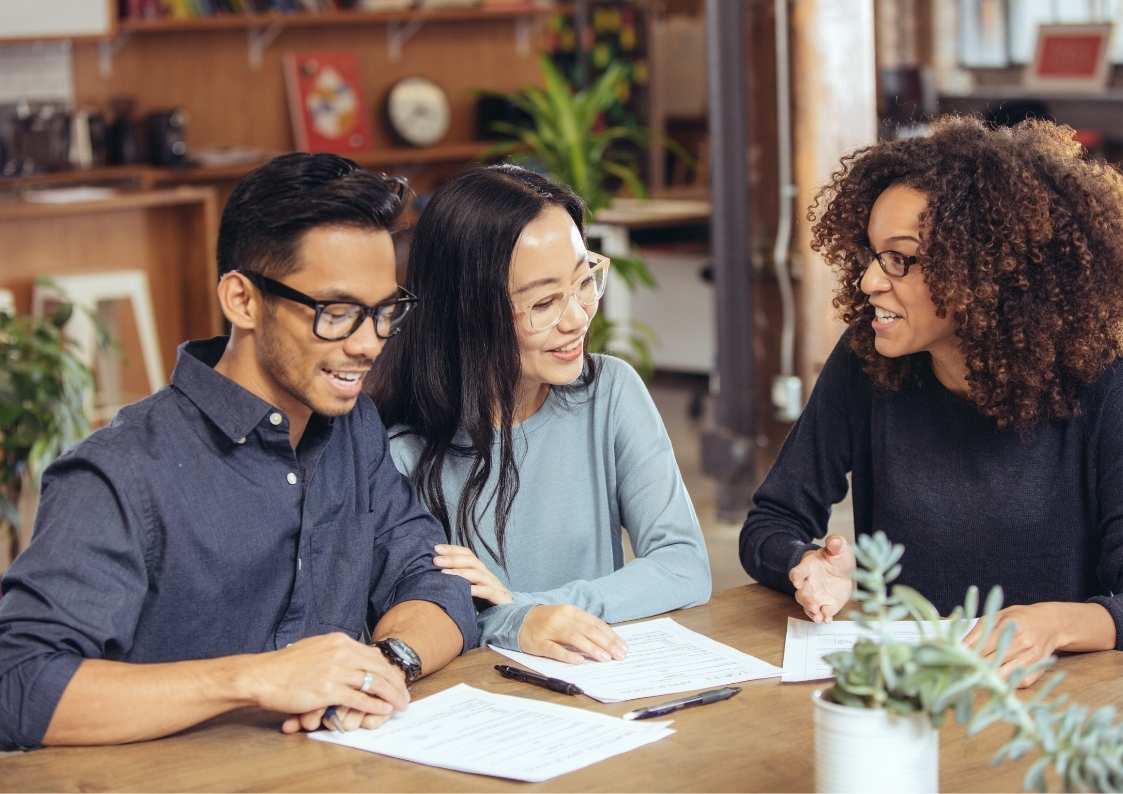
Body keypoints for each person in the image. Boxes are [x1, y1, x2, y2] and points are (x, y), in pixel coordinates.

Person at [0, 153, 477, 750]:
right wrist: (253, 679)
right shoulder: (119, 472)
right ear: (243, 300)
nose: (368, 344)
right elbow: (19, 685)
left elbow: (436, 582)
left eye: (384, 313)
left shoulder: (355, 430)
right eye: (337, 313)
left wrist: (383, 664)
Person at [740, 116, 1123, 687]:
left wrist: (1052, 625)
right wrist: (807, 564)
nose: (870, 280)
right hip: (909, 689)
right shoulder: (868, 361)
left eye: (901, 258)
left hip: (1059, 707)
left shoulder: (1101, 381)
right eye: (871, 254)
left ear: (984, 271)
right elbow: (771, 520)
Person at [372, 164, 711, 663]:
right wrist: (515, 622)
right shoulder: (397, 451)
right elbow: (410, 620)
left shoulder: (609, 392)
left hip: (600, 683)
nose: (576, 317)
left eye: (584, 282)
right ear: (467, 313)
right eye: (545, 302)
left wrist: (525, 610)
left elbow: (683, 566)